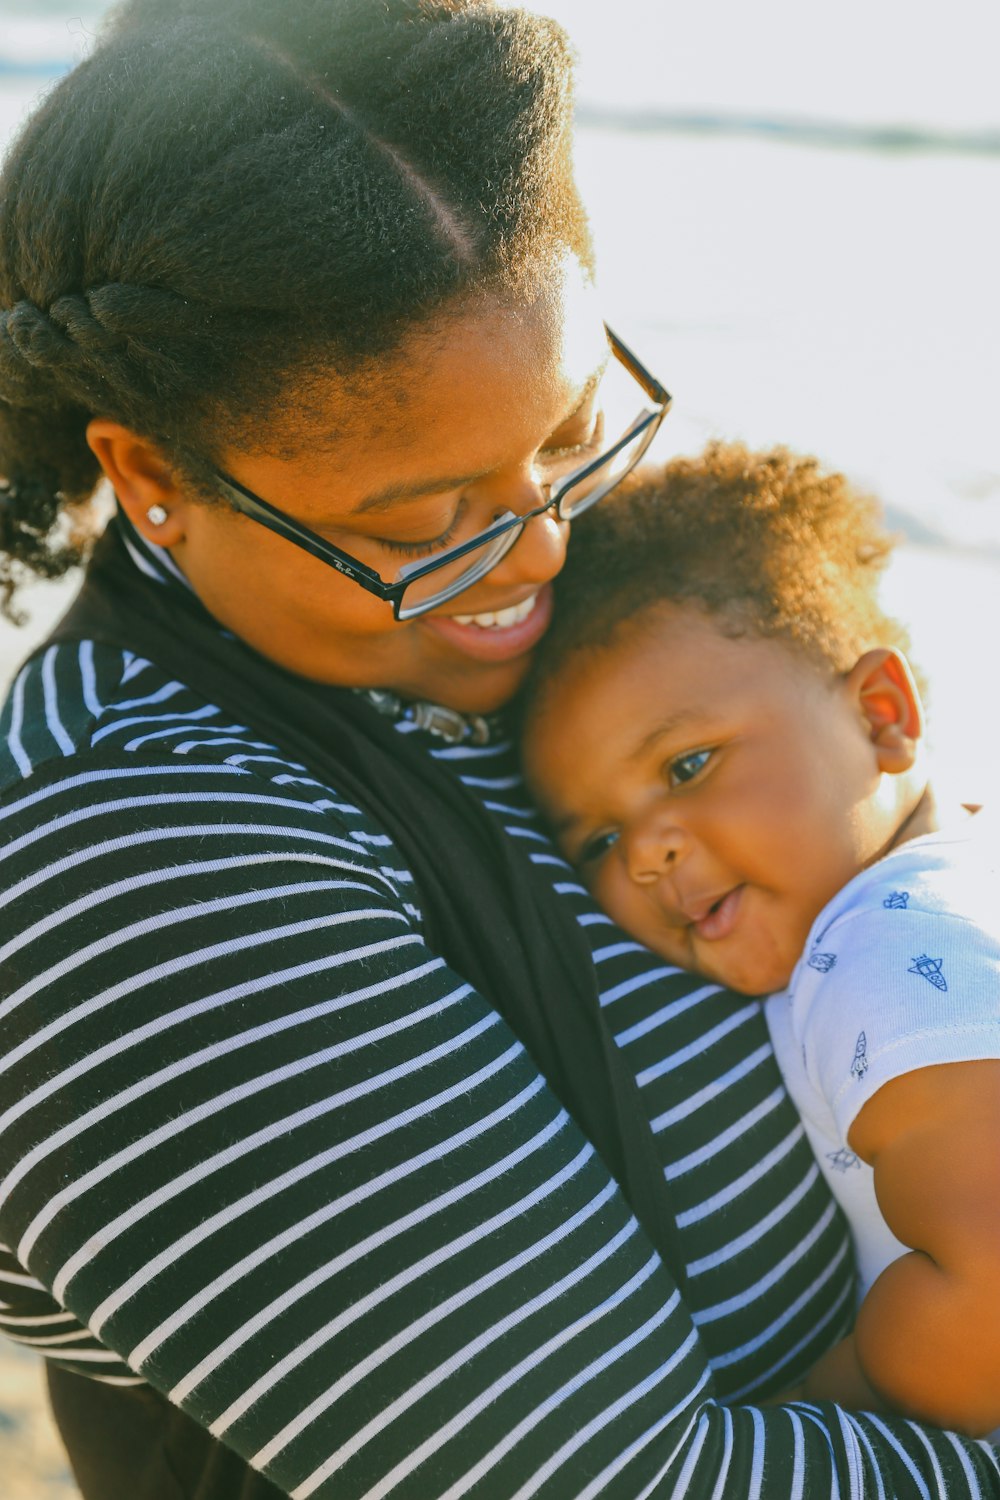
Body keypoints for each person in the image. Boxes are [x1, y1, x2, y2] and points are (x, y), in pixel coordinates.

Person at [0, 1, 997, 1494]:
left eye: (575, 427)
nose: (536, 552)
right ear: (151, 474)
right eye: (417, 524)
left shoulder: (583, 603)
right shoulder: (128, 871)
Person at [520, 441, 1000, 1440]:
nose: (647, 852)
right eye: (600, 840)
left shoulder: (880, 954)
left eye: (687, 764)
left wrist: (833, 1392)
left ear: (880, 716)